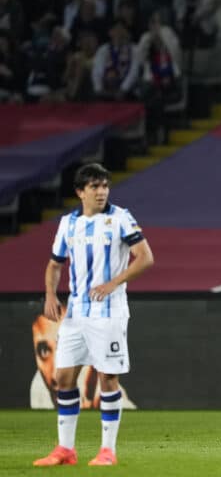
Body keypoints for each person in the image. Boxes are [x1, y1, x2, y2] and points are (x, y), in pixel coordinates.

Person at [33, 163, 154, 467]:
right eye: (94, 187)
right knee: (63, 379)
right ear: (80, 192)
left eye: (105, 186)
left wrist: (113, 283)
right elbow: (54, 264)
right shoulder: (67, 224)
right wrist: (50, 294)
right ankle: (65, 450)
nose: (101, 192)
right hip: (75, 314)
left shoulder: (120, 218)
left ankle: (107, 451)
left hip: (109, 312)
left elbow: (145, 258)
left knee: (107, 378)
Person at [30, 313, 137, 410]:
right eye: (44, 351)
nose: (55, 376)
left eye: (66, 346)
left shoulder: (100, 382)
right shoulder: (38, 385)